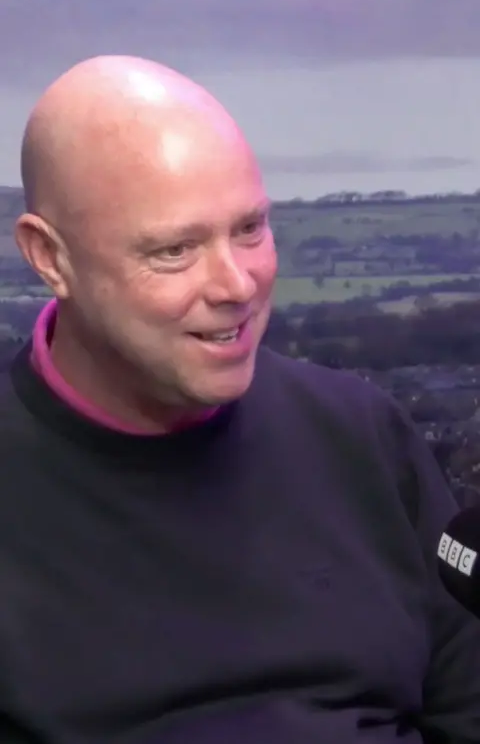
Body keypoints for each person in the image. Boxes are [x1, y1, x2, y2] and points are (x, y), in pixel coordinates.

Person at [0, 55, 479, 744]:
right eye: (174, 249)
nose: (237, 283)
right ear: (50, 257)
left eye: (250, 228)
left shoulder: (361, 433)